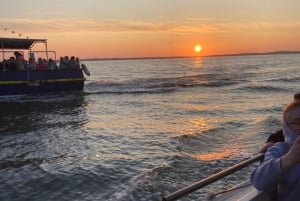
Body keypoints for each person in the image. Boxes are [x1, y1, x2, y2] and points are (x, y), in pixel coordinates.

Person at [251, 100, 300, 201]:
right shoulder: (280, 149)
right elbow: (259, 182)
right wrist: (289, 159)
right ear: (287, 127)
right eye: (298, 123)